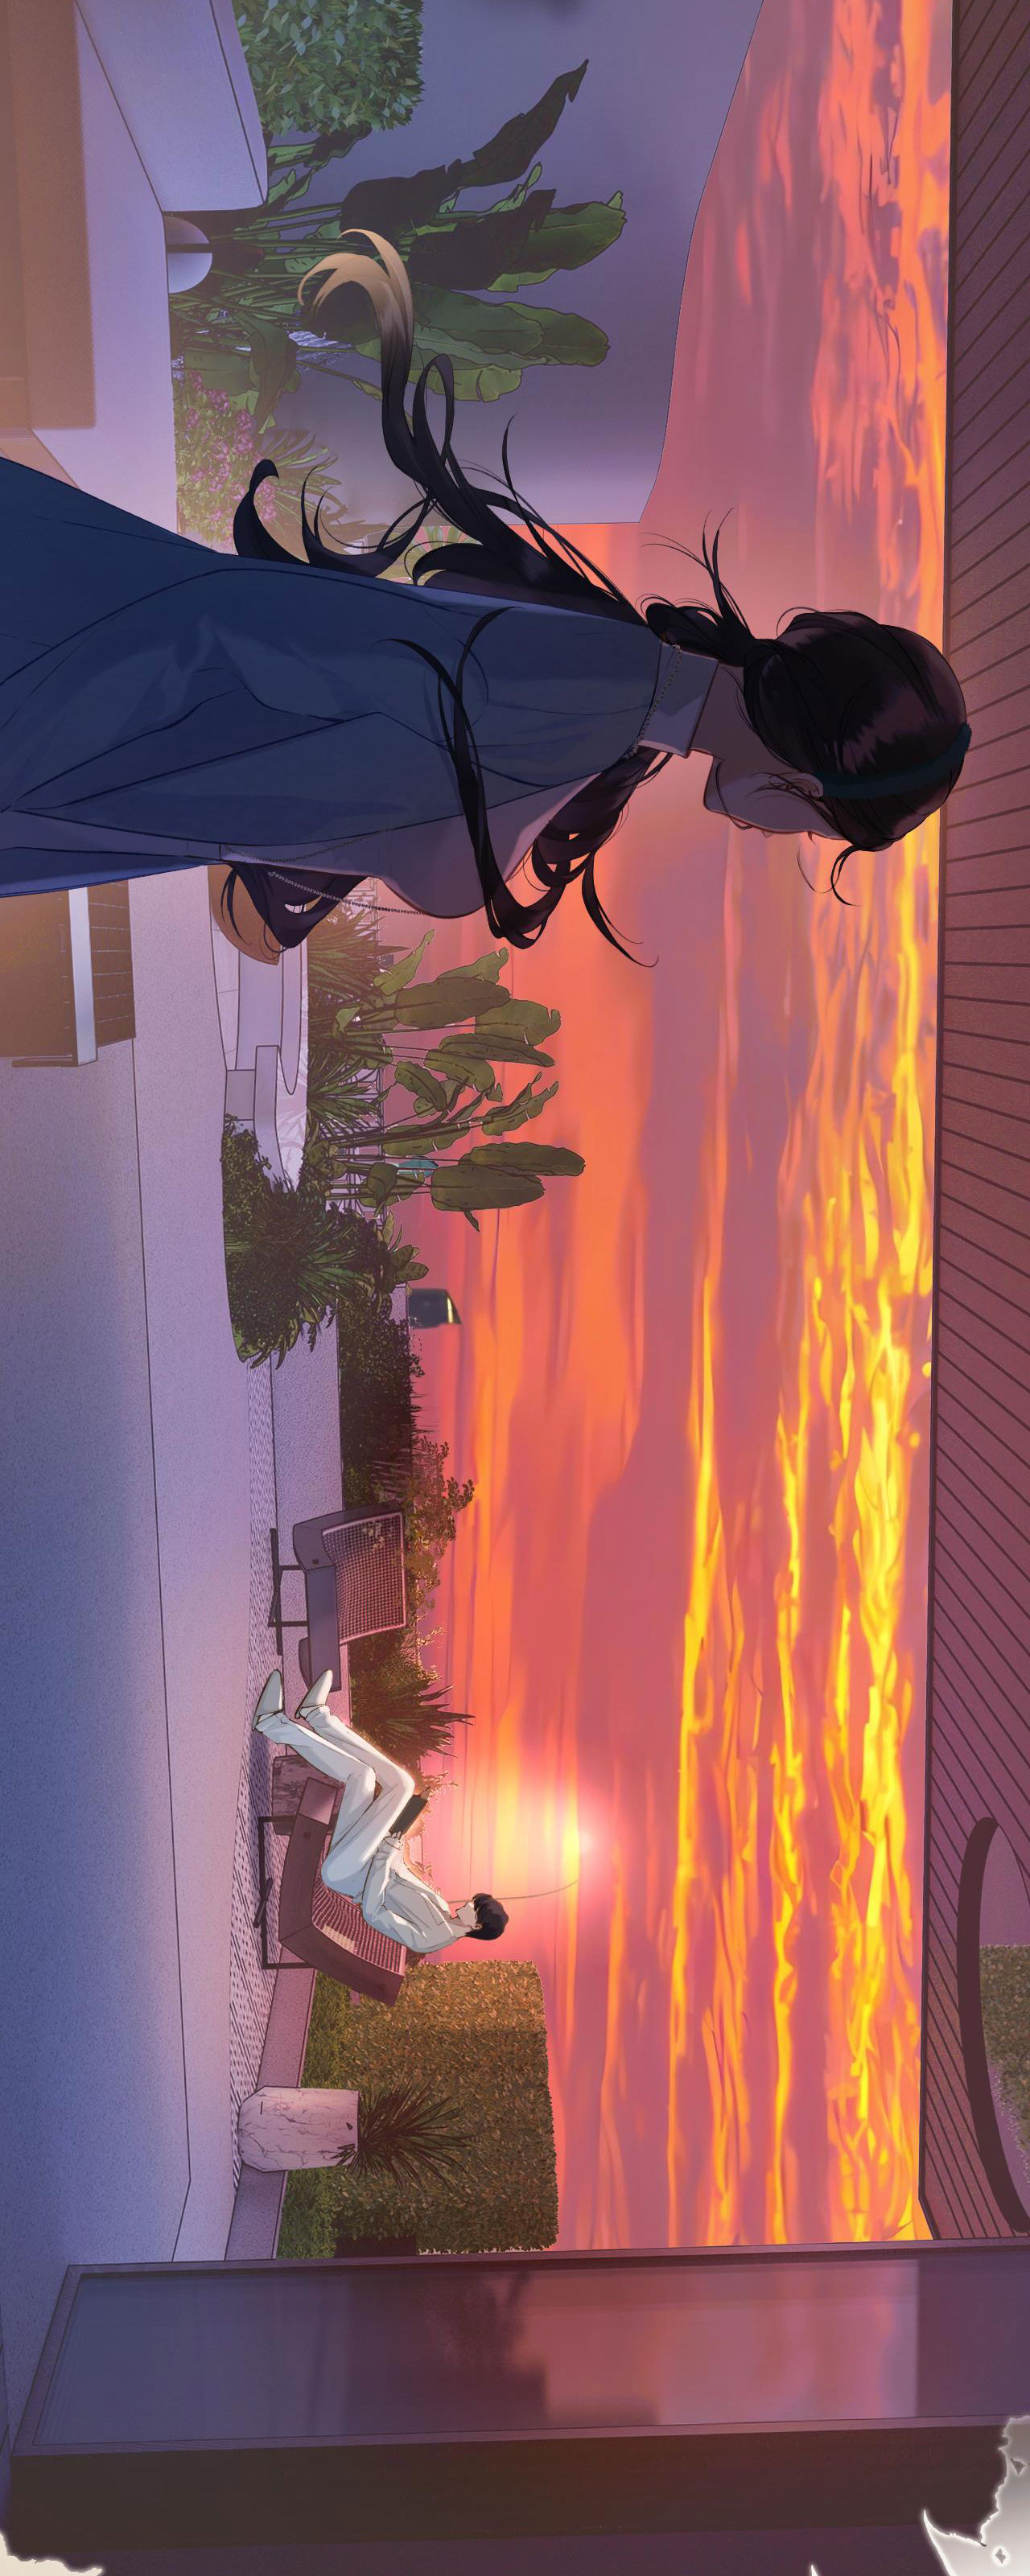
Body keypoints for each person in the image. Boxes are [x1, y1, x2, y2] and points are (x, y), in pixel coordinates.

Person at [0, 229, 970, 968]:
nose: (786, 836)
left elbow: (342, 742)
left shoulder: (609, 709)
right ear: (808, 781)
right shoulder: (594, 693)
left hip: (105, 743)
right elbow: (250, 636)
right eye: (820, 832)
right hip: (76, 703)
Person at [253, 1669, 508, 1956]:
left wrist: (388, 1848)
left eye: (475, 1907)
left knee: (402, 1786)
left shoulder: (429, 1939)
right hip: (363, 1854)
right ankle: (313, 1716)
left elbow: (374, 1911)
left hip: (347, 1873)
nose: (469, 1903)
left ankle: (278, 1721)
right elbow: (398, 1871)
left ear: (476, 1926)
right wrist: (397, 1839)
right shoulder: (441, 1907)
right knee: (364, 1776)